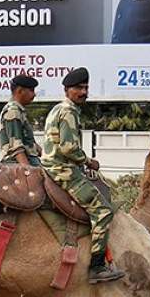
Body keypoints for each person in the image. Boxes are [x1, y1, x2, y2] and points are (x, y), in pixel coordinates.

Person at [41, 68, 124, 283]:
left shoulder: (58, 109)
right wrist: (88, 161)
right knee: (103, 211)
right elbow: (69, 148)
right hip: (63, 170)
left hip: (54, 166)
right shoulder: (68, 112)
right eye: (79, 88)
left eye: (86, 88)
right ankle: (96, 267)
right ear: (67, 90)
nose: (83, 92)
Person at [0, 74, 41, 166]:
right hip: (18, 163)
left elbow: (26, 141)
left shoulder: (19, 111)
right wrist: (28, 171)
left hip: (28, 160)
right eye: (31, 90)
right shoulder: (13, 111)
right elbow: (16, 147)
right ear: (20, 91)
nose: (34, 94)